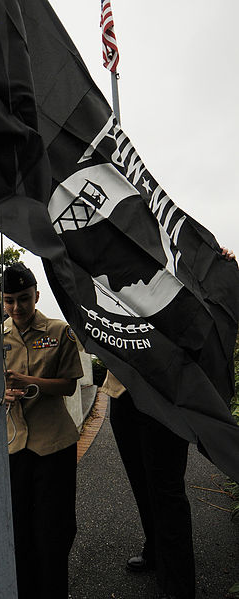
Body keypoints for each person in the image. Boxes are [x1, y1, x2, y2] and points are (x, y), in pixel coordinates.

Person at [103, 246, 237, 599]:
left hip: (167, 397)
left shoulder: (178, 266)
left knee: (166, 489)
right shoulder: (116, 261)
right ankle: (156, 549)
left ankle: (178, 584)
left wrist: (222, 266)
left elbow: (214, 304)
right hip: (123, 391)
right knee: (141, 482)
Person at [2, 263, 84, 599]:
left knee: (54, 531)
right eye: (9, 301)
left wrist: (29, 382)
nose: (17, 308)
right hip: (13, 446)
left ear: (36, 295)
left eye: (23, 299)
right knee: (18, 531)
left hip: (53, 445)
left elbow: (67, 385)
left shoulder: (59, 332)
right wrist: (2, 392)